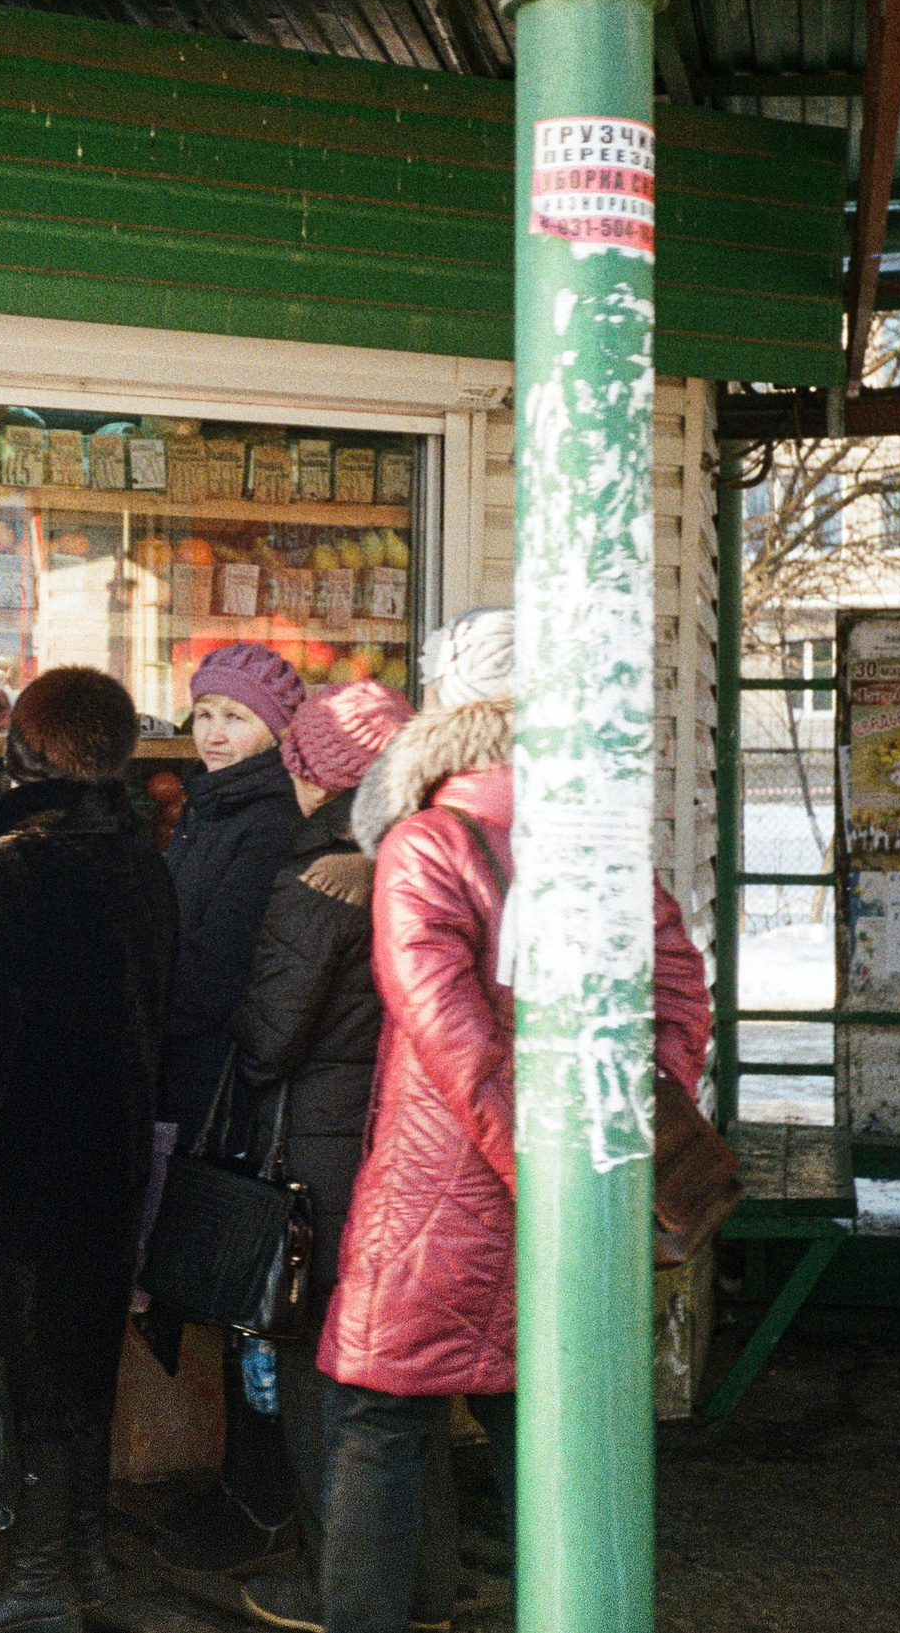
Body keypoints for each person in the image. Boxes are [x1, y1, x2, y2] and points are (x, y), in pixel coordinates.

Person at [314, 608, 711, 1633]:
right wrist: (616, 1142)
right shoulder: (598, 841)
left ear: (447, 714)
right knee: (543, 1415)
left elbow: (449, 1036)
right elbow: (677, 993)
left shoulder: (424, 842)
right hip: (575, 1179)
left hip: (439, 1188)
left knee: (380, 1417)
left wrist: (530, 1167)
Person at [0, 667, 178, 1633]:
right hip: (112, 1153)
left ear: (26, 750)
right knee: (84, 1366)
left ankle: (43, 1578)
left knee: (32, 1375)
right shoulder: (137, 854)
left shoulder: (13, 863)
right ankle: (87, 1562)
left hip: (18, 1167)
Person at [220, 679, 416, 1633]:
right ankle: (423, 1593)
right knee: (397, 1384)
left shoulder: (320, 878)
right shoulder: (414, 857)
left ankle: (336, 1583)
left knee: (321, 1374)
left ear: (318, 772)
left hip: (318, 1153)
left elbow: (269, 1039)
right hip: (396, 1141)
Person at [156, 642, 311, 1573]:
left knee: (247, 1289)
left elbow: (216, 968)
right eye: (205, 711)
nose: (214, 731)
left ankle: (260, 1499)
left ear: (276, 730)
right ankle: (245, 1490)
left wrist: (149, 1010)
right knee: (226, 1288)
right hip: (206, 1076)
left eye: (236, 716)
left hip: (234, 1088)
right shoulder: (211, 809)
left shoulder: (260, 822)